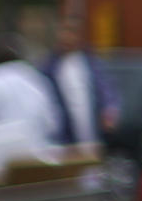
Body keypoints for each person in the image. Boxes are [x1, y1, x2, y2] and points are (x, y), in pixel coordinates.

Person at [39, 13, 119, 149]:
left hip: (91, 133)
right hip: (63, 137)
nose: (67, 36)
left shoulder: (92, 63)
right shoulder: (49, 67)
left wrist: (109, 109)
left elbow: (106, 89)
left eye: (72, 32)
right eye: (63, 31)